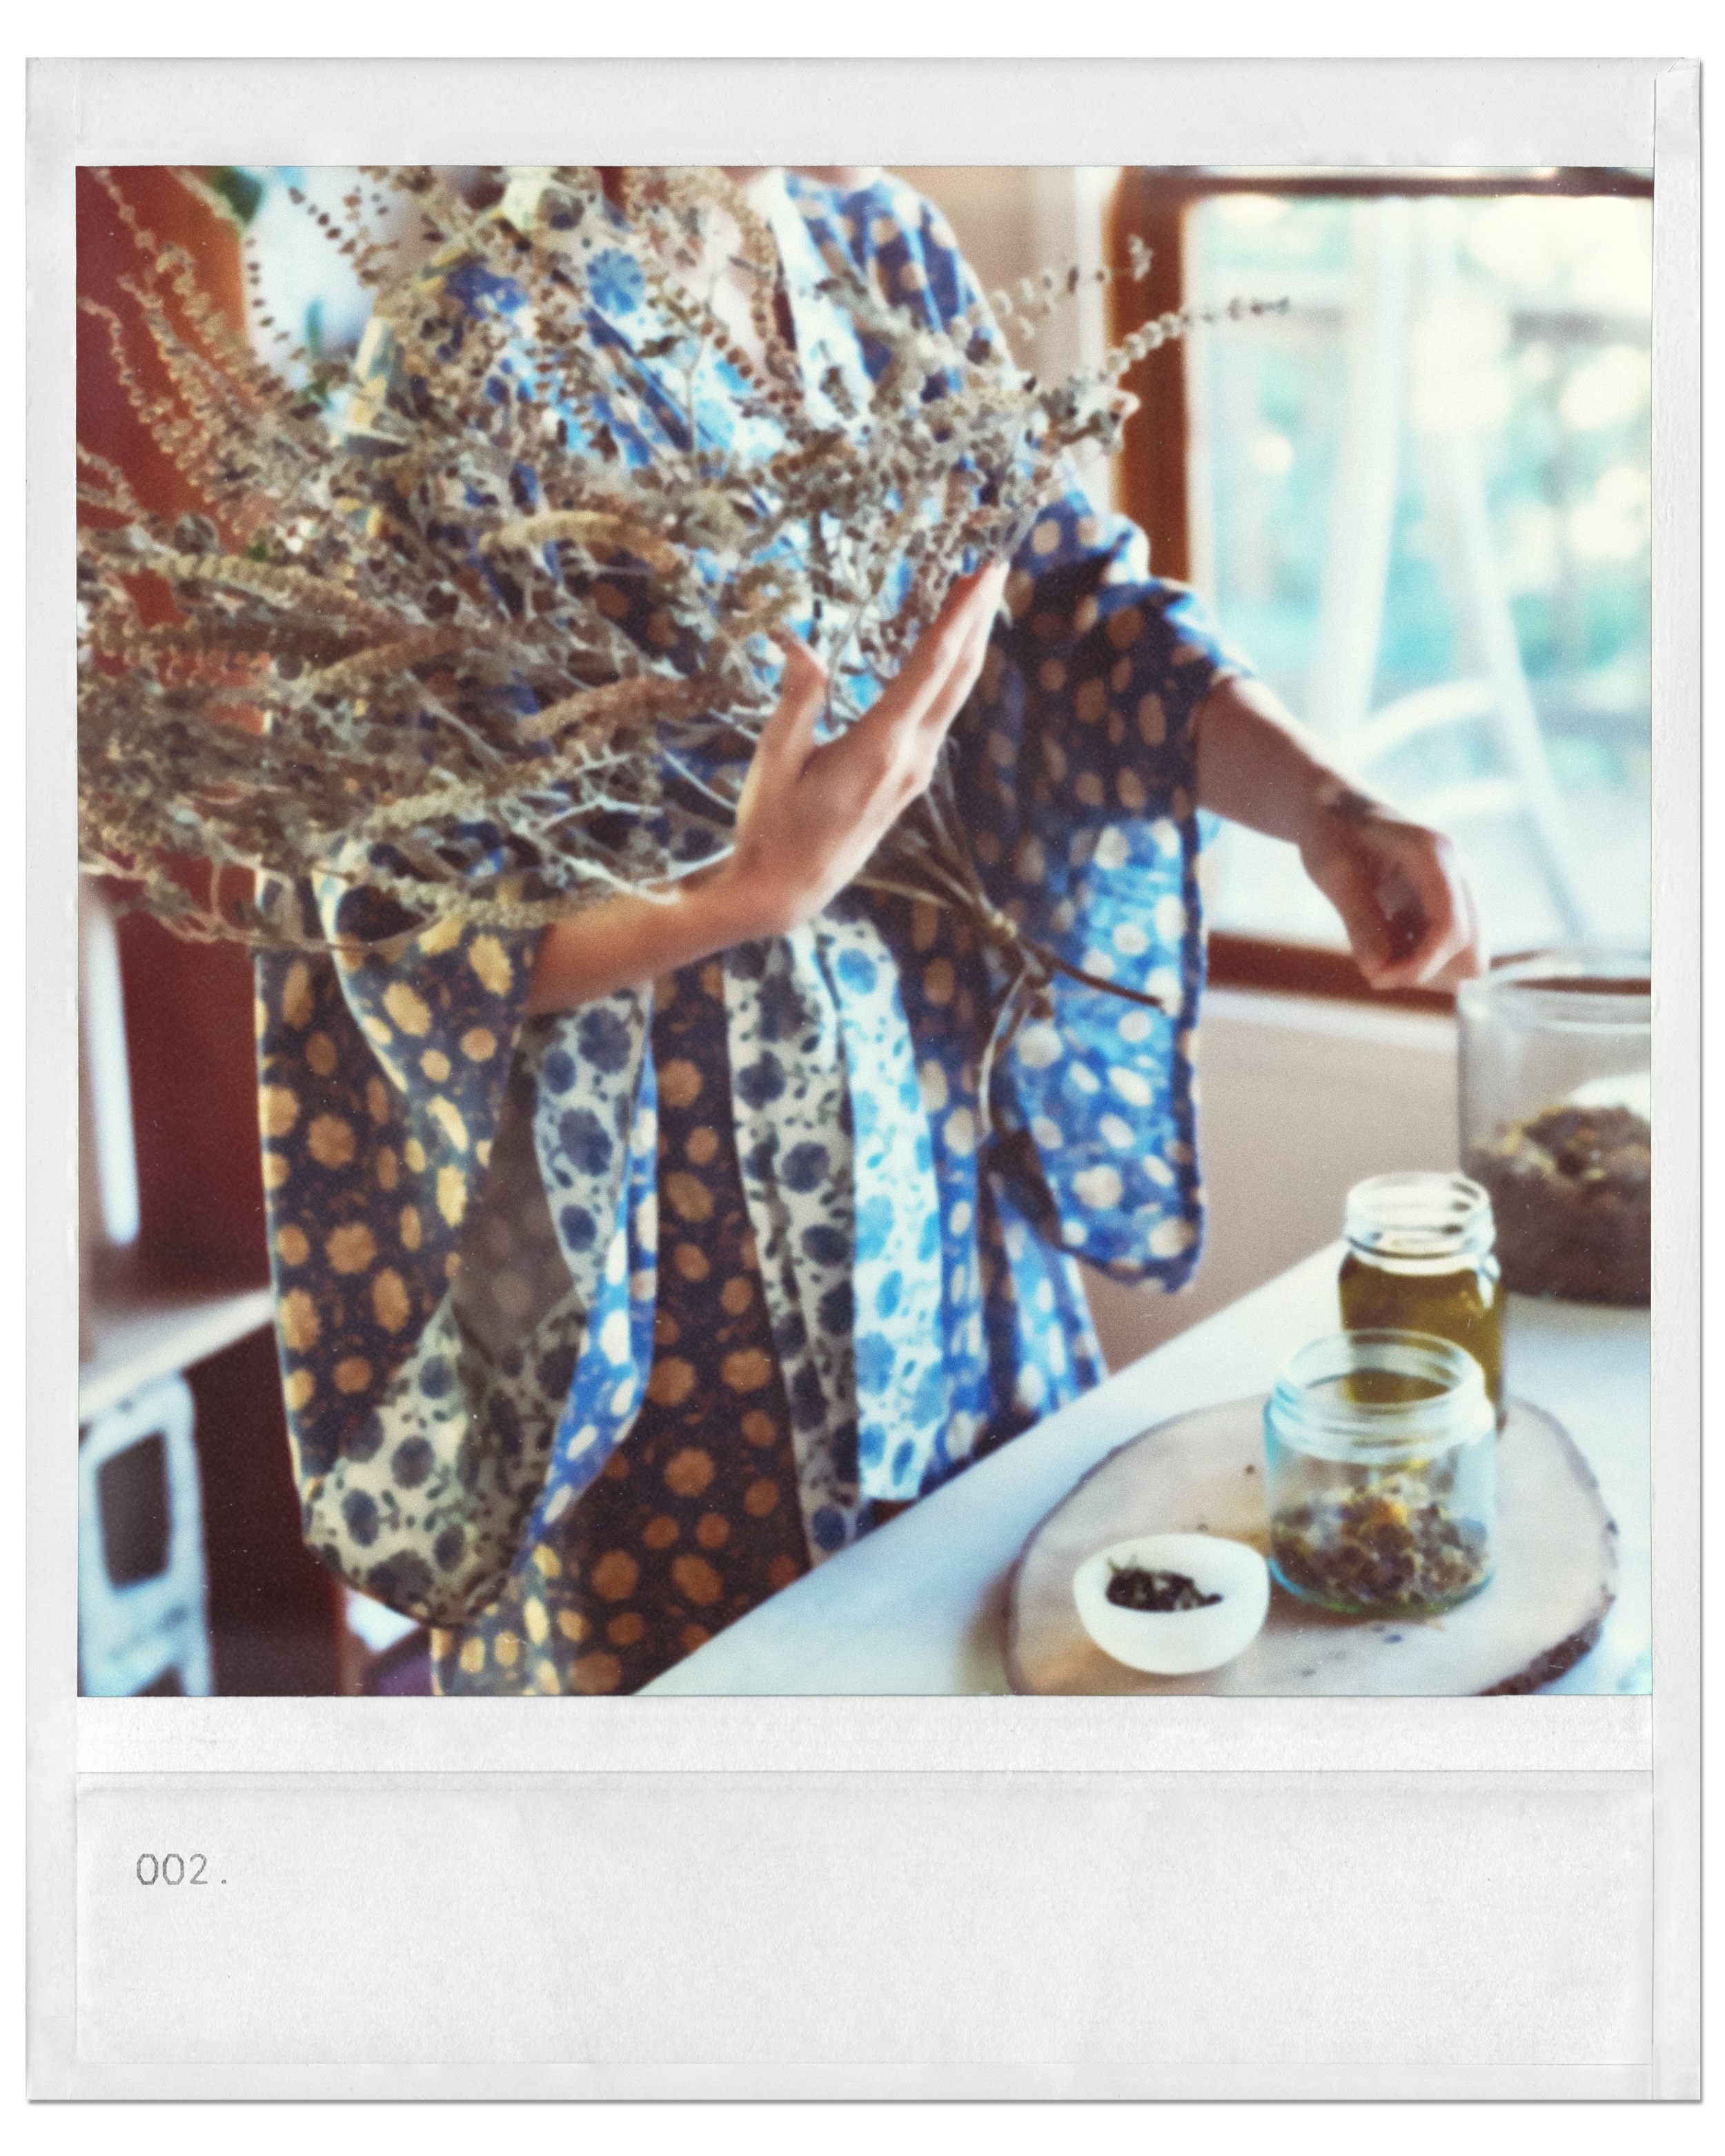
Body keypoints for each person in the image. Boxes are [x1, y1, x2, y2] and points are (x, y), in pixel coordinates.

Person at [255, 166, 1482, 1695]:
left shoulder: (871, 245)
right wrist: (745, 895)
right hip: (679, 1246)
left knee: (997, 1669)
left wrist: (1320, 798)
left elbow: (1058, 603)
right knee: (744, 1792)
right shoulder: (478, 340)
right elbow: (382, 896)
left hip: (945, 1168)